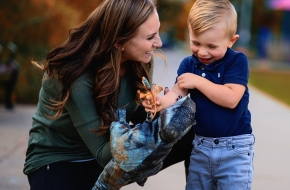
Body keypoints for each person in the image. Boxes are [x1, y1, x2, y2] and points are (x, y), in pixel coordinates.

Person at [23, 0, 194, 189]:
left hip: (107, 158)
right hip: (60, 160)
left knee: (195, 131)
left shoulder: (140, 61)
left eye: (158, 32)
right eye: (150, 37)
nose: (159, 42)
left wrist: (166, 109)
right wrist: (165, 127)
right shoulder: (75, 75)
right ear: (119, 41)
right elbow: (104, 154)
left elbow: (139, 116)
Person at [144, 0, 255, 189]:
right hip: (201, 147)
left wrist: (198, 81)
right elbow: (178, 92)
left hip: (234, 149)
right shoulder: (189, 64)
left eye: (211, 46)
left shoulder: (236, 61)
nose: (202, 52)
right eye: (196, 43)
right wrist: (160, 102)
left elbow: (231, 99)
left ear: (231, 40)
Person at [0, 42, 20, 110]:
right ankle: (8, 103)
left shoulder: (11, 64)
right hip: (6, 77)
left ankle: (8, 103)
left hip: (9, 79)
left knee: (9, 88)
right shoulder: (8, 63)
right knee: (9, 88)